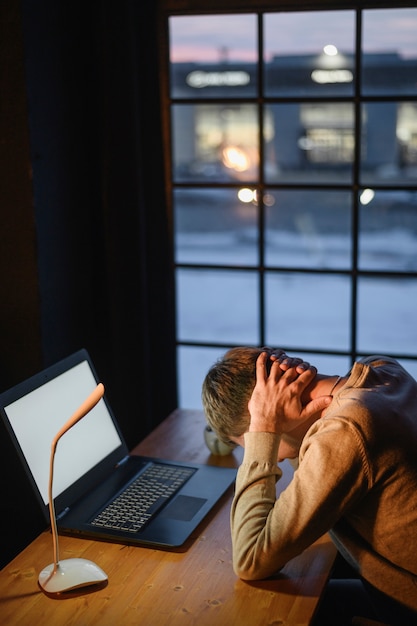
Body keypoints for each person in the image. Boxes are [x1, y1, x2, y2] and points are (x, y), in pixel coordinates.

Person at [201, 347, 417, 626]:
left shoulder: (346, 430)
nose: (272, 454)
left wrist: (265, 431)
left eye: (249, 443)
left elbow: (250, 559)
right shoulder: (384, 370)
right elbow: (314, 469)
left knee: (258, 612)